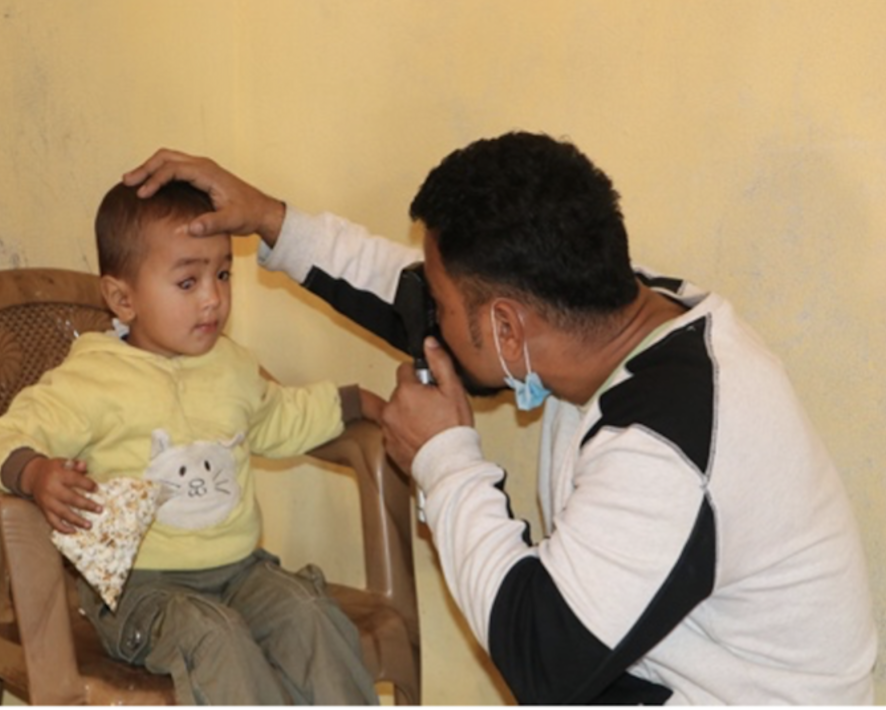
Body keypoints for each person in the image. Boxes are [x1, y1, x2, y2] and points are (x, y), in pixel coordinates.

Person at [121, 132, 877, 705]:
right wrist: (272, 221)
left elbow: (542, 659)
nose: (430, 314)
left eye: (446, 305)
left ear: (509, 329)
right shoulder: (620, 309)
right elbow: (412, 294)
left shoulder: (667, 442)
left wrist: (448, 461)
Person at [0, 180, 381, 706]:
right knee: (218, 639)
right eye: (188, 282)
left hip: (242, 574)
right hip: (142, 592)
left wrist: (353, 402)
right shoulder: (93, 379)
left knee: (311, 615)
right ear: (123, 298)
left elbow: (280, 417)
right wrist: (34, 473)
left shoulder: (230, 364)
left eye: (223, 274)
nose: (213, 298)